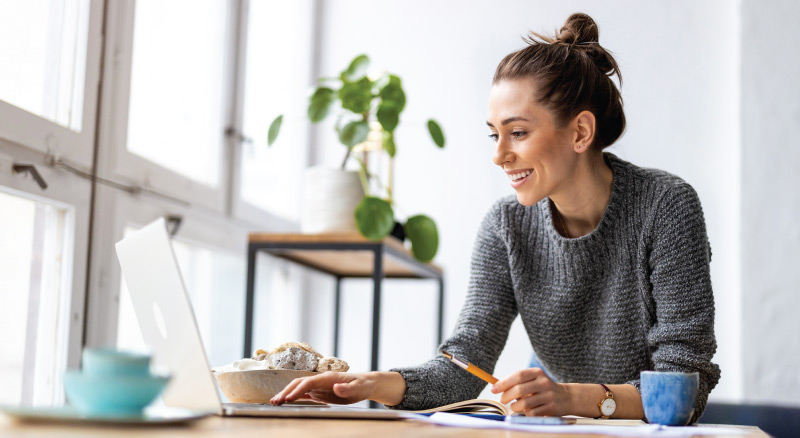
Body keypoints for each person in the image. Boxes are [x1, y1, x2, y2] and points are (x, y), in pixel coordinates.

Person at [271, 12, 720, 423]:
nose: (499, 155)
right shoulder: (506, 226)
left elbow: (683, 389)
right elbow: (466, 365)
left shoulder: (666, 206)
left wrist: (568, 398)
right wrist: (373, 385)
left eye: (518, 133)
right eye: (494, 135)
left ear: (580, 132)